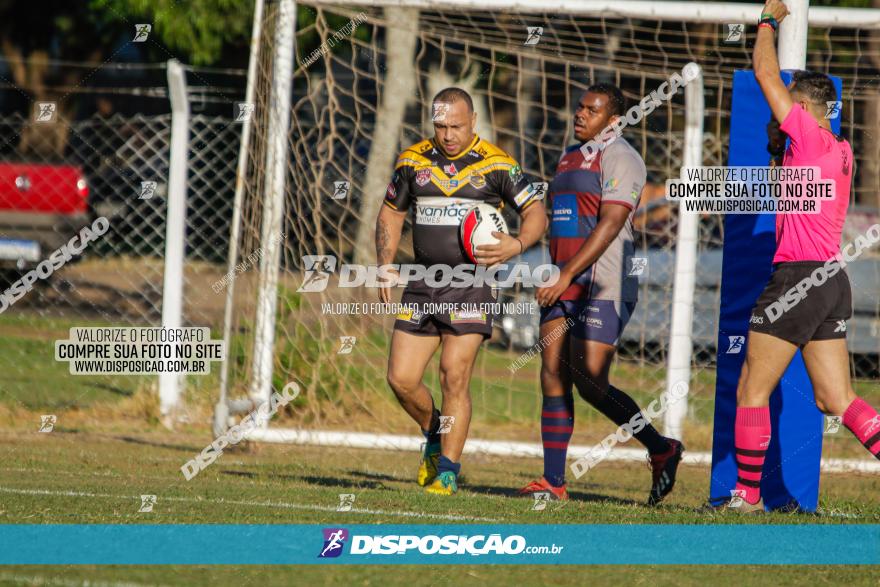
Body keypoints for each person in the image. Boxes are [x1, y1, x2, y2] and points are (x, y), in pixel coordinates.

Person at [727, 0, 880, 513]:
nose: (779, 112)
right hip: (832, 280)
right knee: (834, 401)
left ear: (807, 109)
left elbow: (764, 71)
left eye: (787, 106)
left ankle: (746, 496)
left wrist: (770, 19)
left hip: (798, 276)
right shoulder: (838, 148)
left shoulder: (809, 134)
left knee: (751, 387)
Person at [375, 87, 548, 495]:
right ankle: (434, 432)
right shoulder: (412, 161)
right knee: (400, 378)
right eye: (440, 125)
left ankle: (448, 471)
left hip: (473, 285)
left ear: (473, 121)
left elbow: (535, 211)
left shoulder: (497, 164)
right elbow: (391, 212)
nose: (448, 134)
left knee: (454, 375)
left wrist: (518, 244)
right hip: (423, 283)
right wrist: (384, 264)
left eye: (455, 125)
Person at [519, 83, 683, 505]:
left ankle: (660, 447)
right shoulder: (569, 156)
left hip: (604, 283)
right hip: (563, 280)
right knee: (553, 374)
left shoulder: (623, 157)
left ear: (614, 119)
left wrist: (567, 272)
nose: (580, 115)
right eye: (579, 108)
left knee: (591, 379)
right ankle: (554, 481)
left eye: (591, 111)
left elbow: (610, 224)